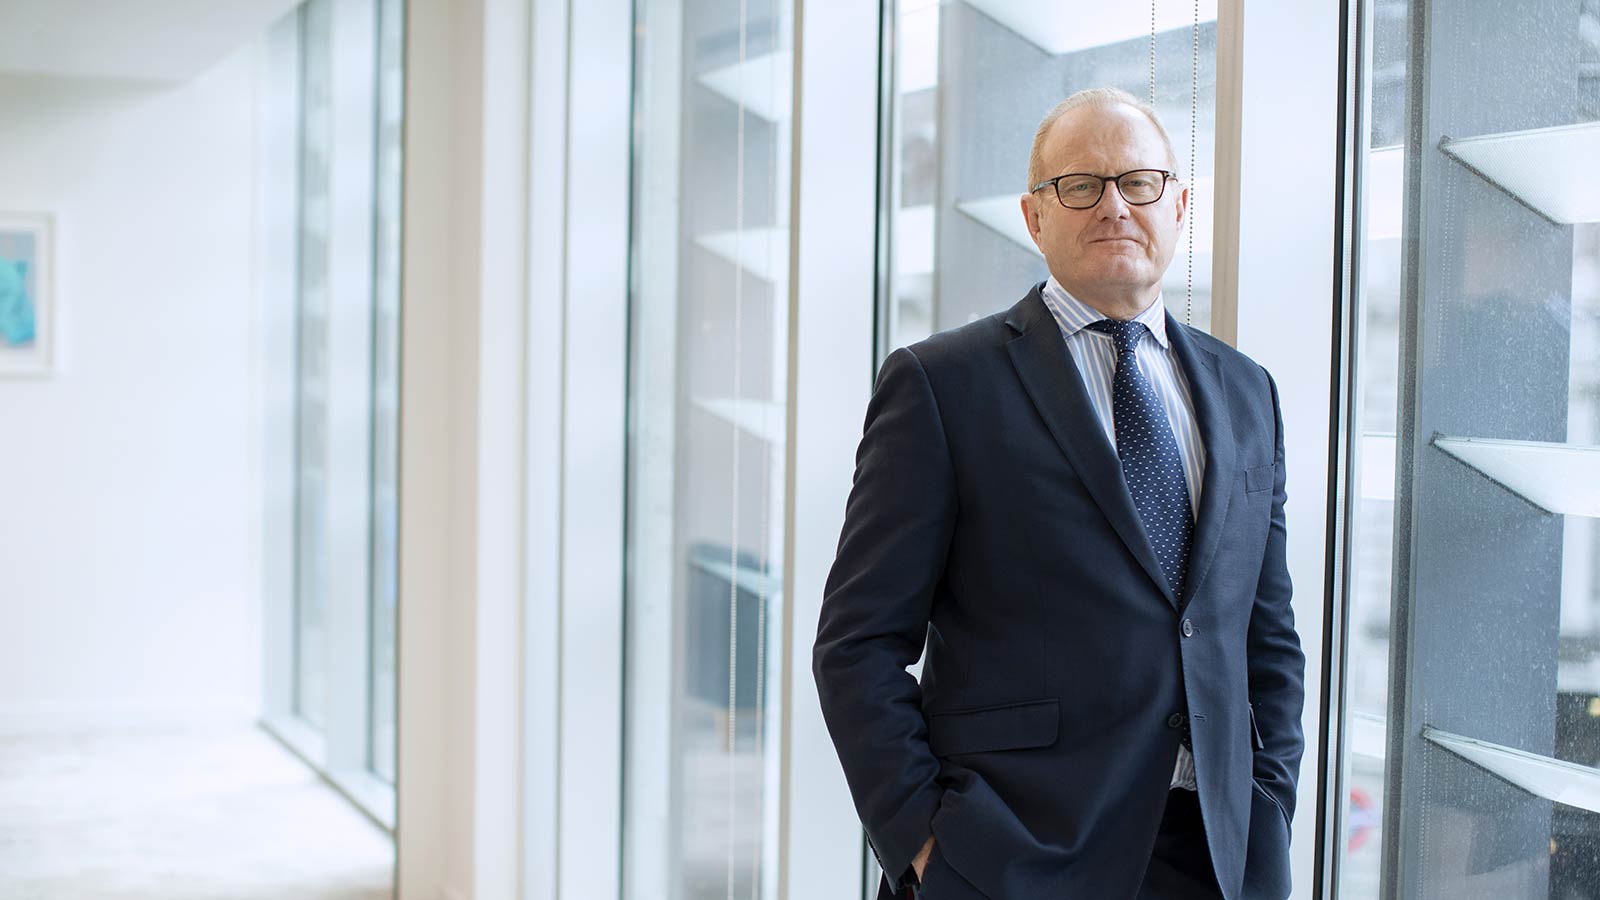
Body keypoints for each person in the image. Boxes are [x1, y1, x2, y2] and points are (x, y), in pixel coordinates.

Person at [811, 87, 1305, 900]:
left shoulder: (1247, 390)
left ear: (1178, 205)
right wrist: (929, 844)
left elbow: (1267, 635)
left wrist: (1270, 806)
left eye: (1139, 182)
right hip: (1012, 857)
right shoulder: (941, 385)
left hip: (1216, 859)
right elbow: (857, 643)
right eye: (1081, 185)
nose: (1114, 205)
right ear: (1034, 216)